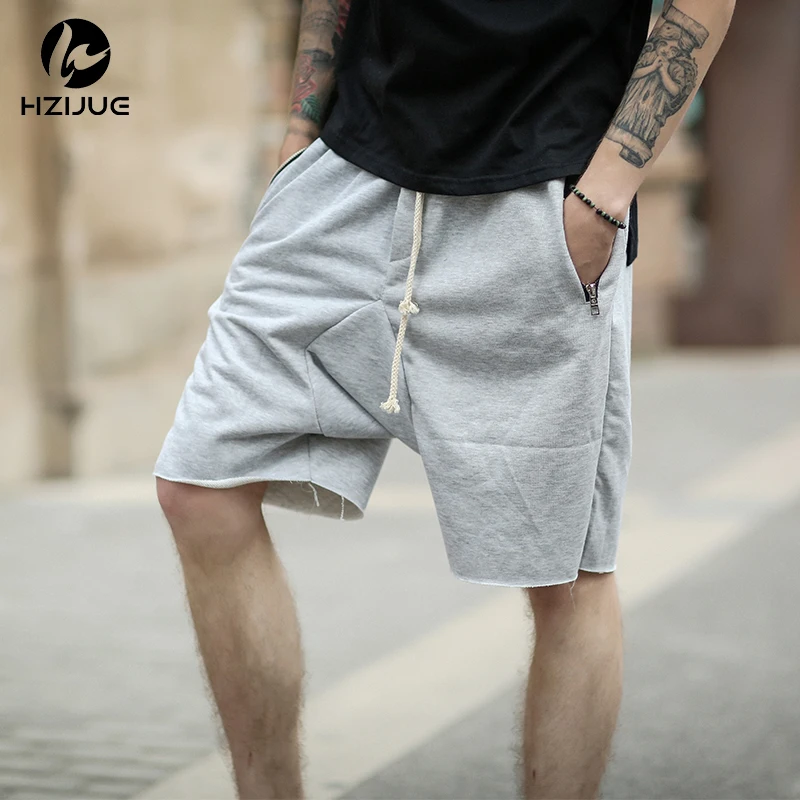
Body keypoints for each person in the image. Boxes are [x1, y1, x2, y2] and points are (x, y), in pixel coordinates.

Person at [154, 0, 735, 797]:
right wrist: (298, 133)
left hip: (543, 194)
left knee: (565, 573)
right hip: (346, 175)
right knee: (199, 486)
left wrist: (607, 191)